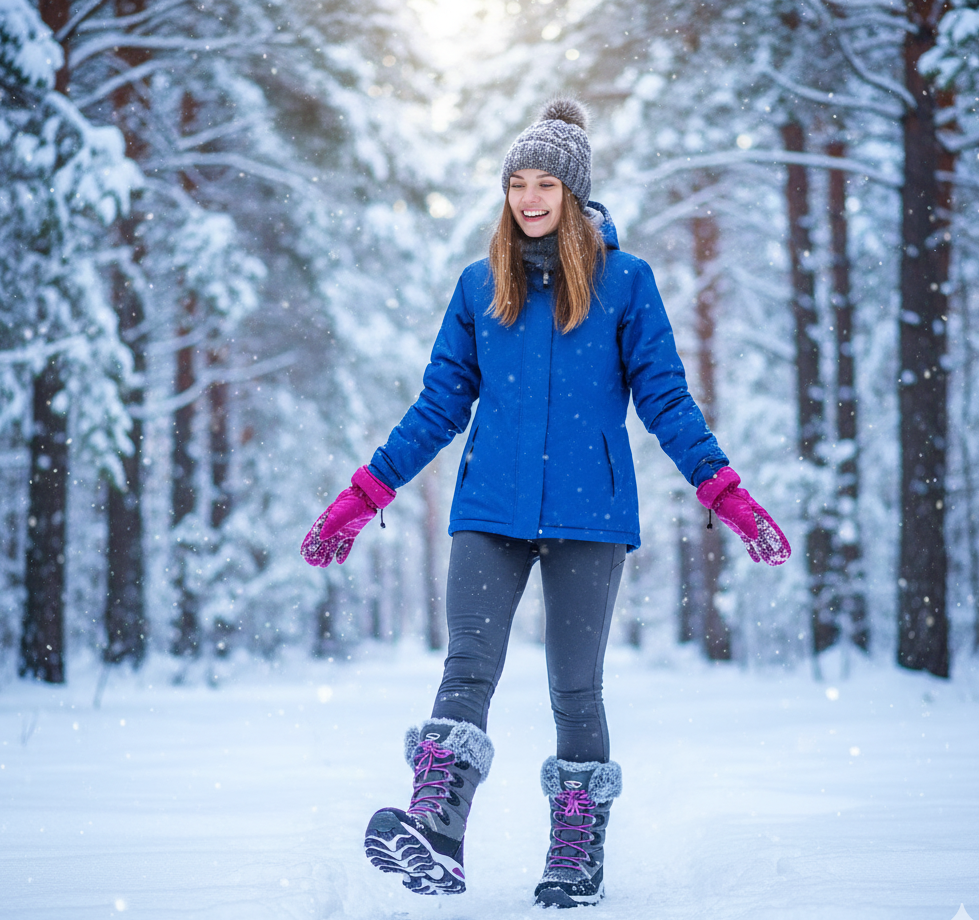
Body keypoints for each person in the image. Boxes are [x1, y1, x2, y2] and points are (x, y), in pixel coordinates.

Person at [301, 99, 790, 908]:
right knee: (466, 667)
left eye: (544, 185)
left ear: (572, 193)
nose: (528, 199)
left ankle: (574, 852)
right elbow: (438, 407)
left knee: (574, 687)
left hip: (588, 515)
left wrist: (724, 491)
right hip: (489, 509)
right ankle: (436, 833)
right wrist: (364, 494)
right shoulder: (479, 285)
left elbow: (664, 400)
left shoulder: (624, 283)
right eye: (516, 183)